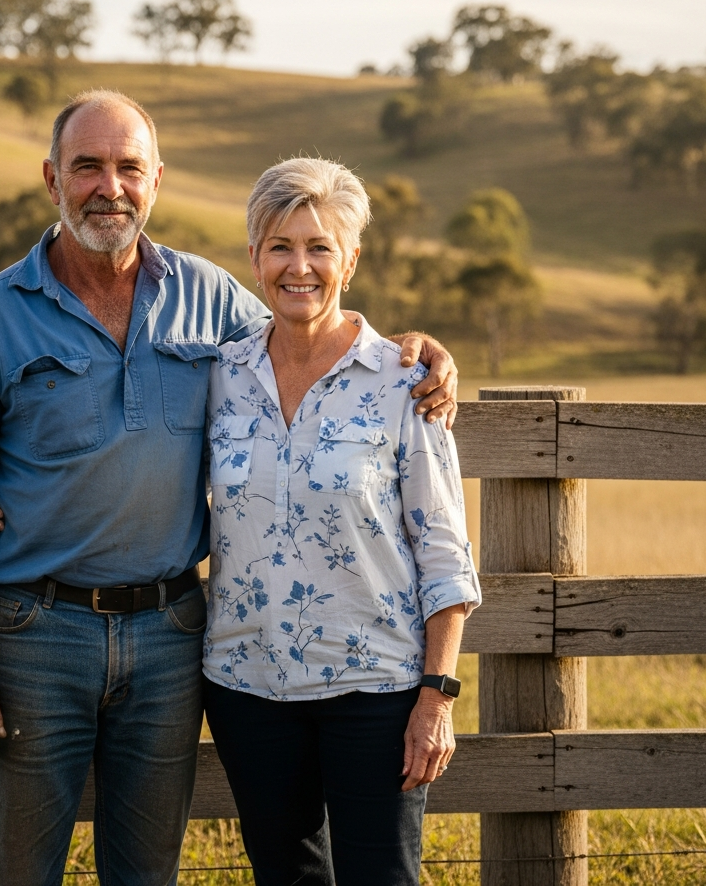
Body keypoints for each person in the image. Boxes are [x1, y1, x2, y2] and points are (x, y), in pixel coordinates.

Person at [0, 89, 459, 886]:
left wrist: (422, 352)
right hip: (36, 633)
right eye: (88, 166)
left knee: (148, 871)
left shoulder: (209, 299)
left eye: (128, 167)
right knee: (21, 869)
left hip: (171, 635)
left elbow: (308, 316)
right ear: (51, 179)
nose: (110, 186)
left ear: (156, 180)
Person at [200, 157, 481, 886]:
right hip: (247, 685)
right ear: (254, 259)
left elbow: (445, 553)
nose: (300, 266)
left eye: (320, 247)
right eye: (281, 247)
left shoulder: (404, 380)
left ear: (350, 260)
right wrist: (11, 492)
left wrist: (435, 696)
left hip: (378, 690)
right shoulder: (218, 376)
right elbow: (136, 460)